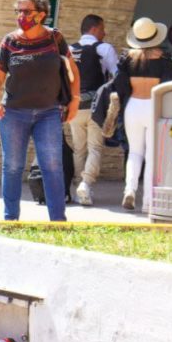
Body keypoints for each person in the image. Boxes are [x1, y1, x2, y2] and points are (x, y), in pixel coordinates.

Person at [0, 0, 80, 222]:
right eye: (18, 11)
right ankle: (10, 220)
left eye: (26, 11)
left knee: (52, 165)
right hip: (13, 113)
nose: (21, 16)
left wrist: (75, 100)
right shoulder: (10, 41)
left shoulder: (55, 38)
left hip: (48, 112)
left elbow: (72, 70)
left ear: (41, 14)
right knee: (12, 166)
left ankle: (58, 222)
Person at [120, 18, 172, 212]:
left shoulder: (127, 58)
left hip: (133, 105)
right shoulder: (165, 60)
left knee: (134, 152)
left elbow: (120, 84)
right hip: (154, 106)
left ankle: (130, 189)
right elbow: (168, 86)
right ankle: (148, 202)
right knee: (152, 155)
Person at [68, 14, 118, 206]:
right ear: (94, 29)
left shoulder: (69, 50)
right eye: (102, 29)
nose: (104, 33)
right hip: (96, 107)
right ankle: (86, 184)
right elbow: (116, 76)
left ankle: (77, 187)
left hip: (74, 107)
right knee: (95, 147)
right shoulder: (104, 49)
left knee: (78, 149)